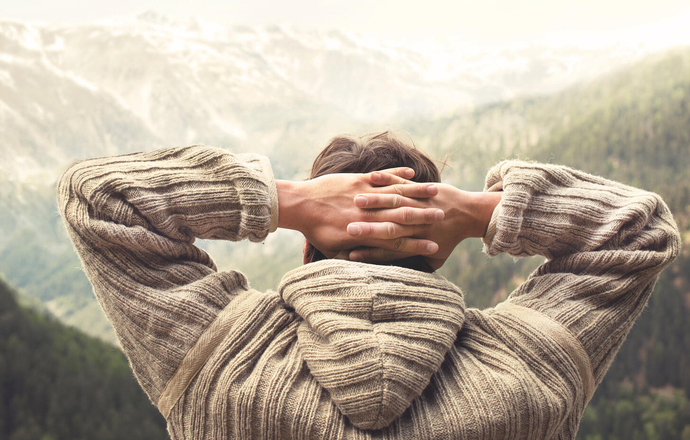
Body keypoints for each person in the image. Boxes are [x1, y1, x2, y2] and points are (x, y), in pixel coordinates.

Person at [57, 131, 680, 439]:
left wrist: (292, 201)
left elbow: (101, 197)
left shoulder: (224, 363)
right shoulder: (525, 374)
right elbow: (639, 229)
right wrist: (476, 210)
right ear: (434, 250)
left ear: (308, 248)